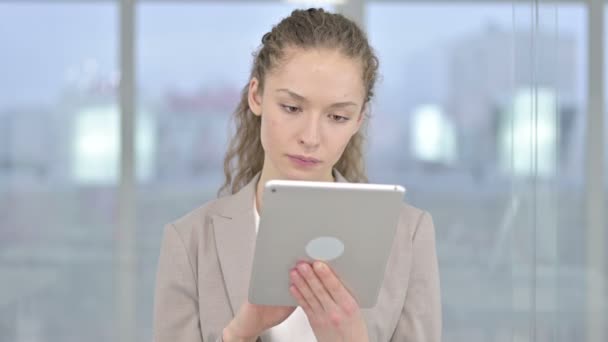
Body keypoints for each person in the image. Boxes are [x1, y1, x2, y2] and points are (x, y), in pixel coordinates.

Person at [153, 8, 441, 342]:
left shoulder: (408, 236)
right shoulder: (189, 243)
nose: (311, 137)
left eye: (337, 117)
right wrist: (240, 333)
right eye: (292, 108)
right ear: (256, 95)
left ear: (359, 120)